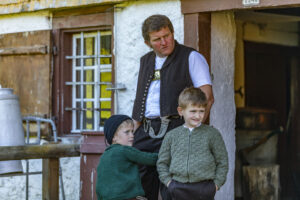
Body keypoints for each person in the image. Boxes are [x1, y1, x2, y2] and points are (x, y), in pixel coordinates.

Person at [132, 14, 214, 200]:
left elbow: (207, 97)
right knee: (140, 190)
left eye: (167, 36)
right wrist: (133, 133)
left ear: (172, 32)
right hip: (145, 131)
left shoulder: (191, 57)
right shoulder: (145, 60)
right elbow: (141, 99)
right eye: (157, 39)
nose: (164, 42)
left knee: (175, 190)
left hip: (177, 128)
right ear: (148, 43)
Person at [157, 87, 228, 200]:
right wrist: (169, 183)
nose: (198, 116)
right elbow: (162, 162)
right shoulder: (171, 135)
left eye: (201, 111)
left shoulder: (212, 134)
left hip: (204, 188)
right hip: (177, 187)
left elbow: (222, 161)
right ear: (181, 111)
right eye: (193, 111)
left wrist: (216, 185)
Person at [96, 115, 158, 200]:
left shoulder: (103, 156)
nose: (132, 135)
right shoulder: (125, 150)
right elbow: (151, 159)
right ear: (114, 137)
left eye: (132, 131)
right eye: (127, 132)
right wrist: (167, 154)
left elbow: (99, 185)